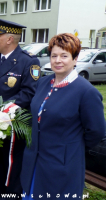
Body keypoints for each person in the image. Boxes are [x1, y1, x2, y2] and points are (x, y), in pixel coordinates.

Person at [20, 33, 105, 200]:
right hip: (34, 162)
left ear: (75, 59)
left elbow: (96, 132)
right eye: (54, 56)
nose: (58, 60)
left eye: (64, 55)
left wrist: (69, 146)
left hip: (62, 166)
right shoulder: (43, 83)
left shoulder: (86, 92)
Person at [0, 18, 40, 200]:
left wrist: (2, 111)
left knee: (11, 169)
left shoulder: (29, 61)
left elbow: (29, 93)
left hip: (13, 125)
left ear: (9, 39)